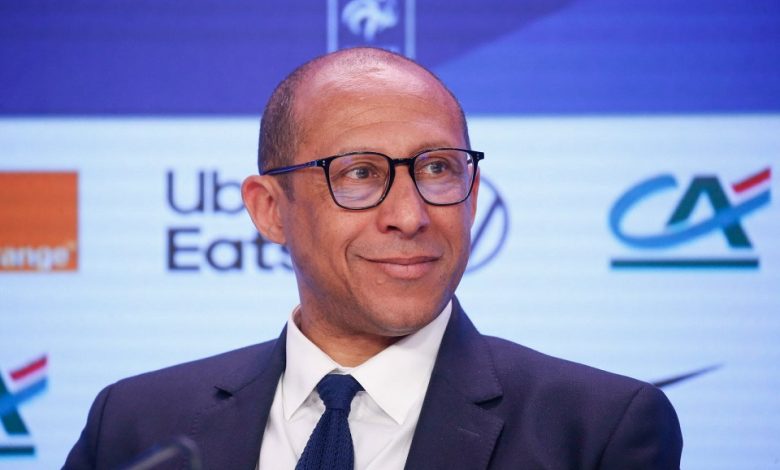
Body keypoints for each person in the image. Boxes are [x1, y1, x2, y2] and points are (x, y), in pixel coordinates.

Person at [64, 47, 682, 469]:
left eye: (437, 169)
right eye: (359, 173)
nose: (410, 215)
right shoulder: (137, 425)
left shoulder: (595, 432)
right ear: (269, 210)